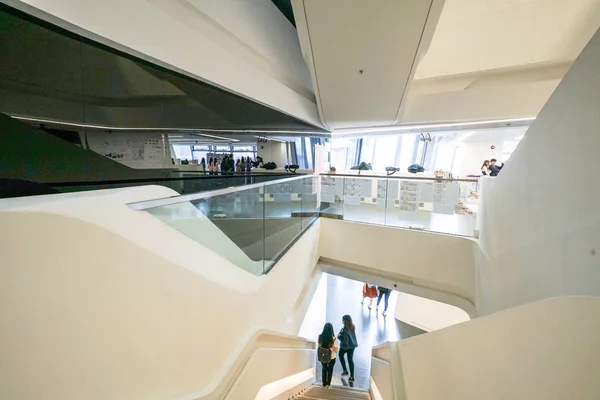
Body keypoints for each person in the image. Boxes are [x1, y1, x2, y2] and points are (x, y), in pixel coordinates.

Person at [337, 315, 358, 383]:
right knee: (350, 360)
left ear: (344, 321)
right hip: (352, 346)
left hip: (345, 347)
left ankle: (345, 370)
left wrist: (339, 337)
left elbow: (345, 341)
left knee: (340, 355)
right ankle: (352, 376)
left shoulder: (344, 330)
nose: (342, 321)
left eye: (343, 320)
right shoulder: (353, 327)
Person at [318, 322, 338, 388]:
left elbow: (319, 345)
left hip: (323, 356)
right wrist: (331, 347)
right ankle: (328, 384)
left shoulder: (320, 336)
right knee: (330, 370)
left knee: (324, 369)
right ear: (332, 329)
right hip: (331, 357)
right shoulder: (334, 339)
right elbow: (336, 350)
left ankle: (323, 384)